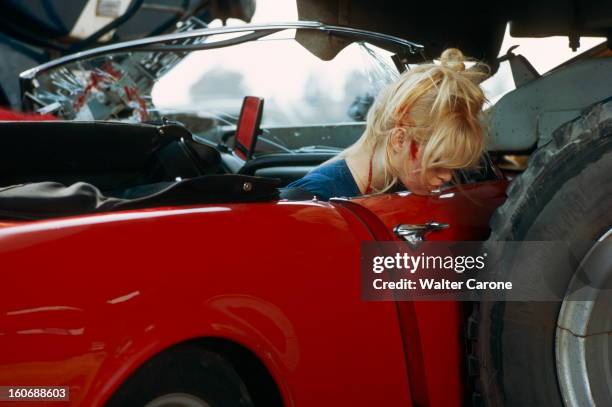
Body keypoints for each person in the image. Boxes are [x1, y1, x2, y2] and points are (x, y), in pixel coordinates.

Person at [286, 48, 488, 200]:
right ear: (400, 139)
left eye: (453, 167)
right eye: (437, 163)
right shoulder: (315, 197)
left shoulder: (399, 182)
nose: (447, 177)